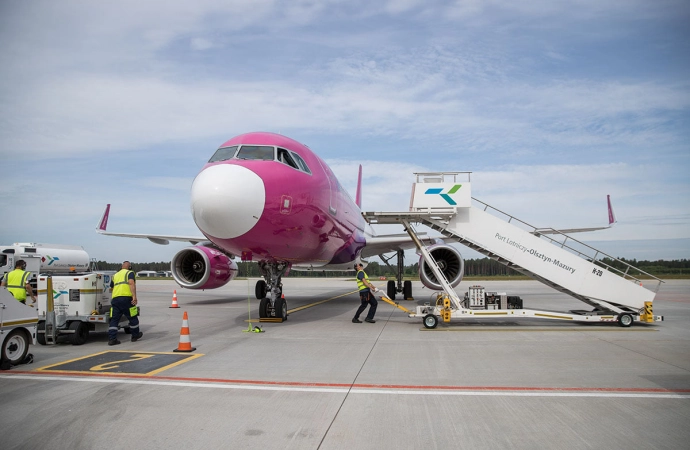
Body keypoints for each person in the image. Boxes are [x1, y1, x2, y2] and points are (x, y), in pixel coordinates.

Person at [108, 261, 143, 346]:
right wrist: (134, 297)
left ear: (121, 267)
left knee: (114, 320)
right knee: (132, 317)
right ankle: (135, 335)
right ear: (130, 267)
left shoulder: (115, 275)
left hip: (115, 299)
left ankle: (112, 339)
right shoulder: (130, 273)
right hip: (126, 299)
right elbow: (131, 283)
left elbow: (111, 287)